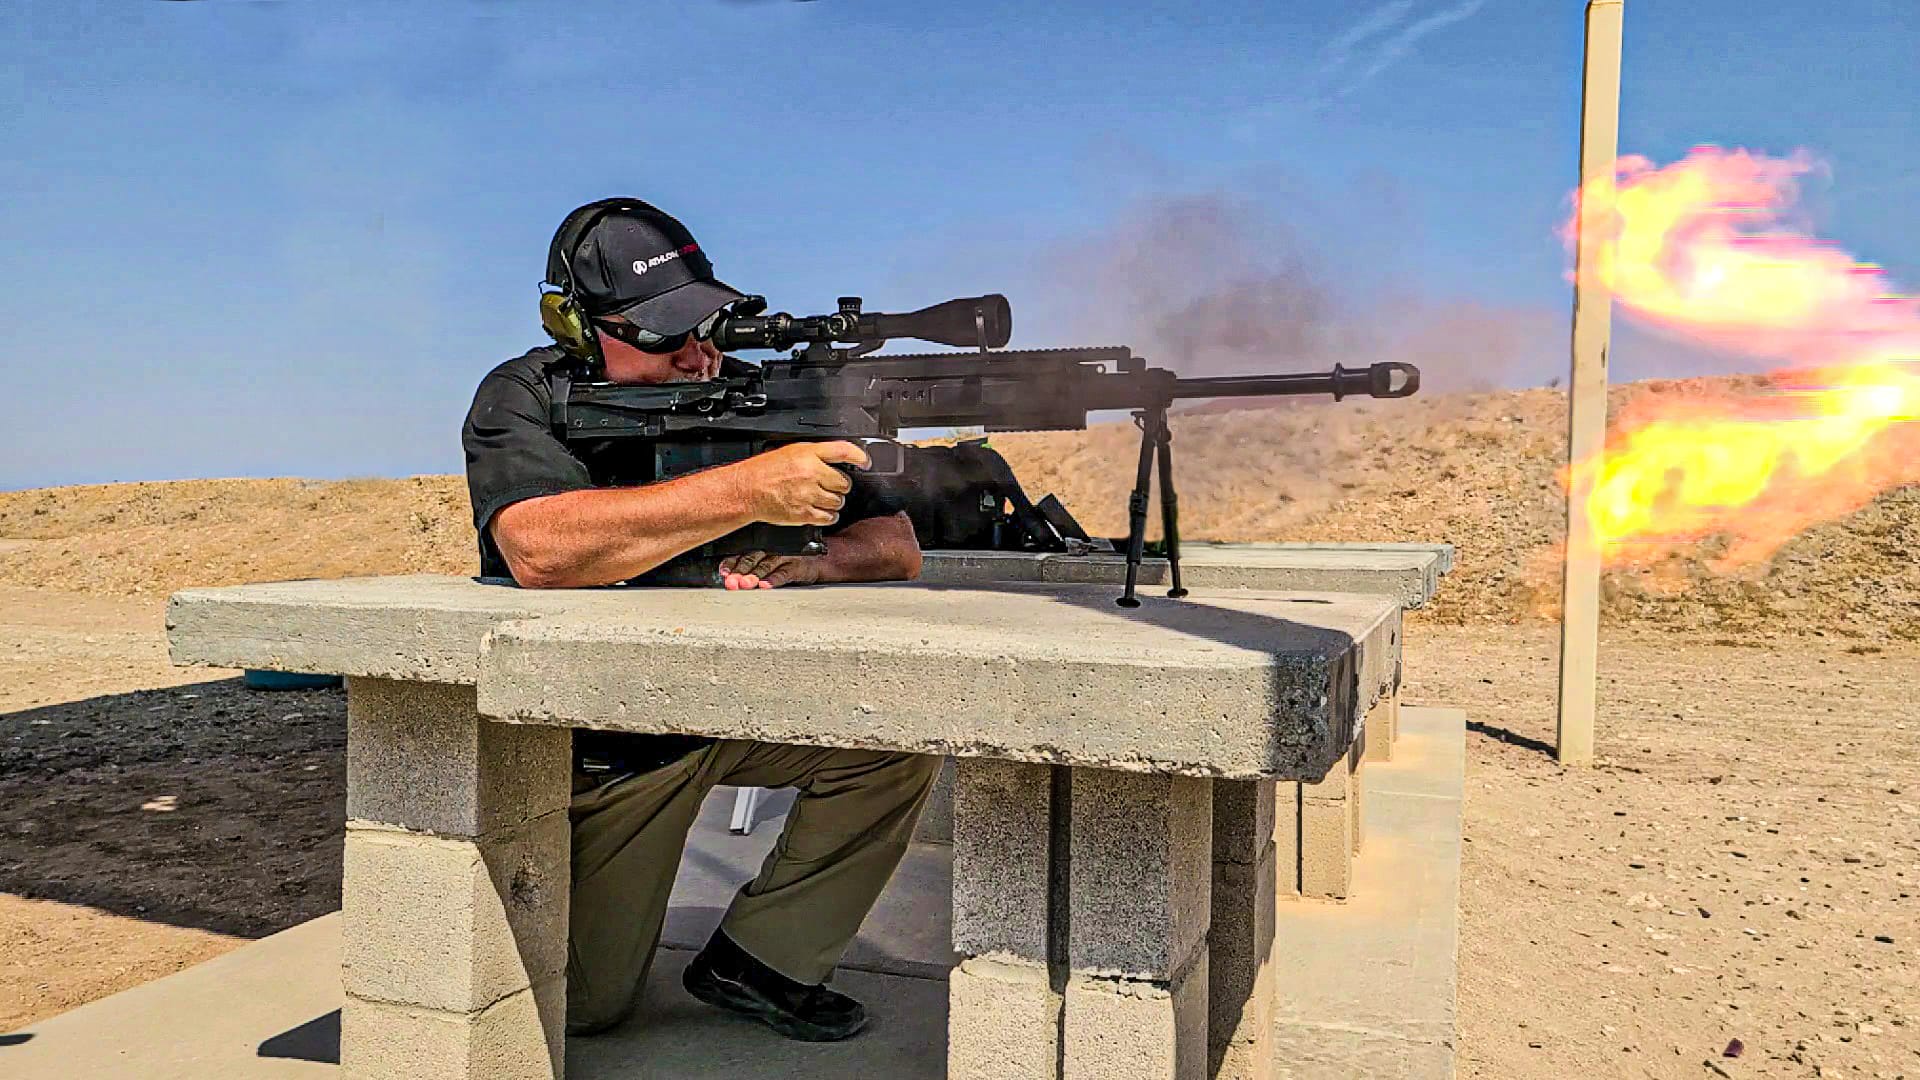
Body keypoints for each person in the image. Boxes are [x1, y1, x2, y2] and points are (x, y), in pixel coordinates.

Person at [460, 197, 939, 1042]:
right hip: (605, 746)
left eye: (700, 325)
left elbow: (896, 545)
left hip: (723, 712)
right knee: (584, 1007)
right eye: (659, 335)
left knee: (893, 746)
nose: (694, 353)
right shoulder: (524, 397)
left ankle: (763, 960)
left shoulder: (755, 397)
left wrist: (816, 558)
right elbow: (537, 550)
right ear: (576, 326)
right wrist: (748, 491)